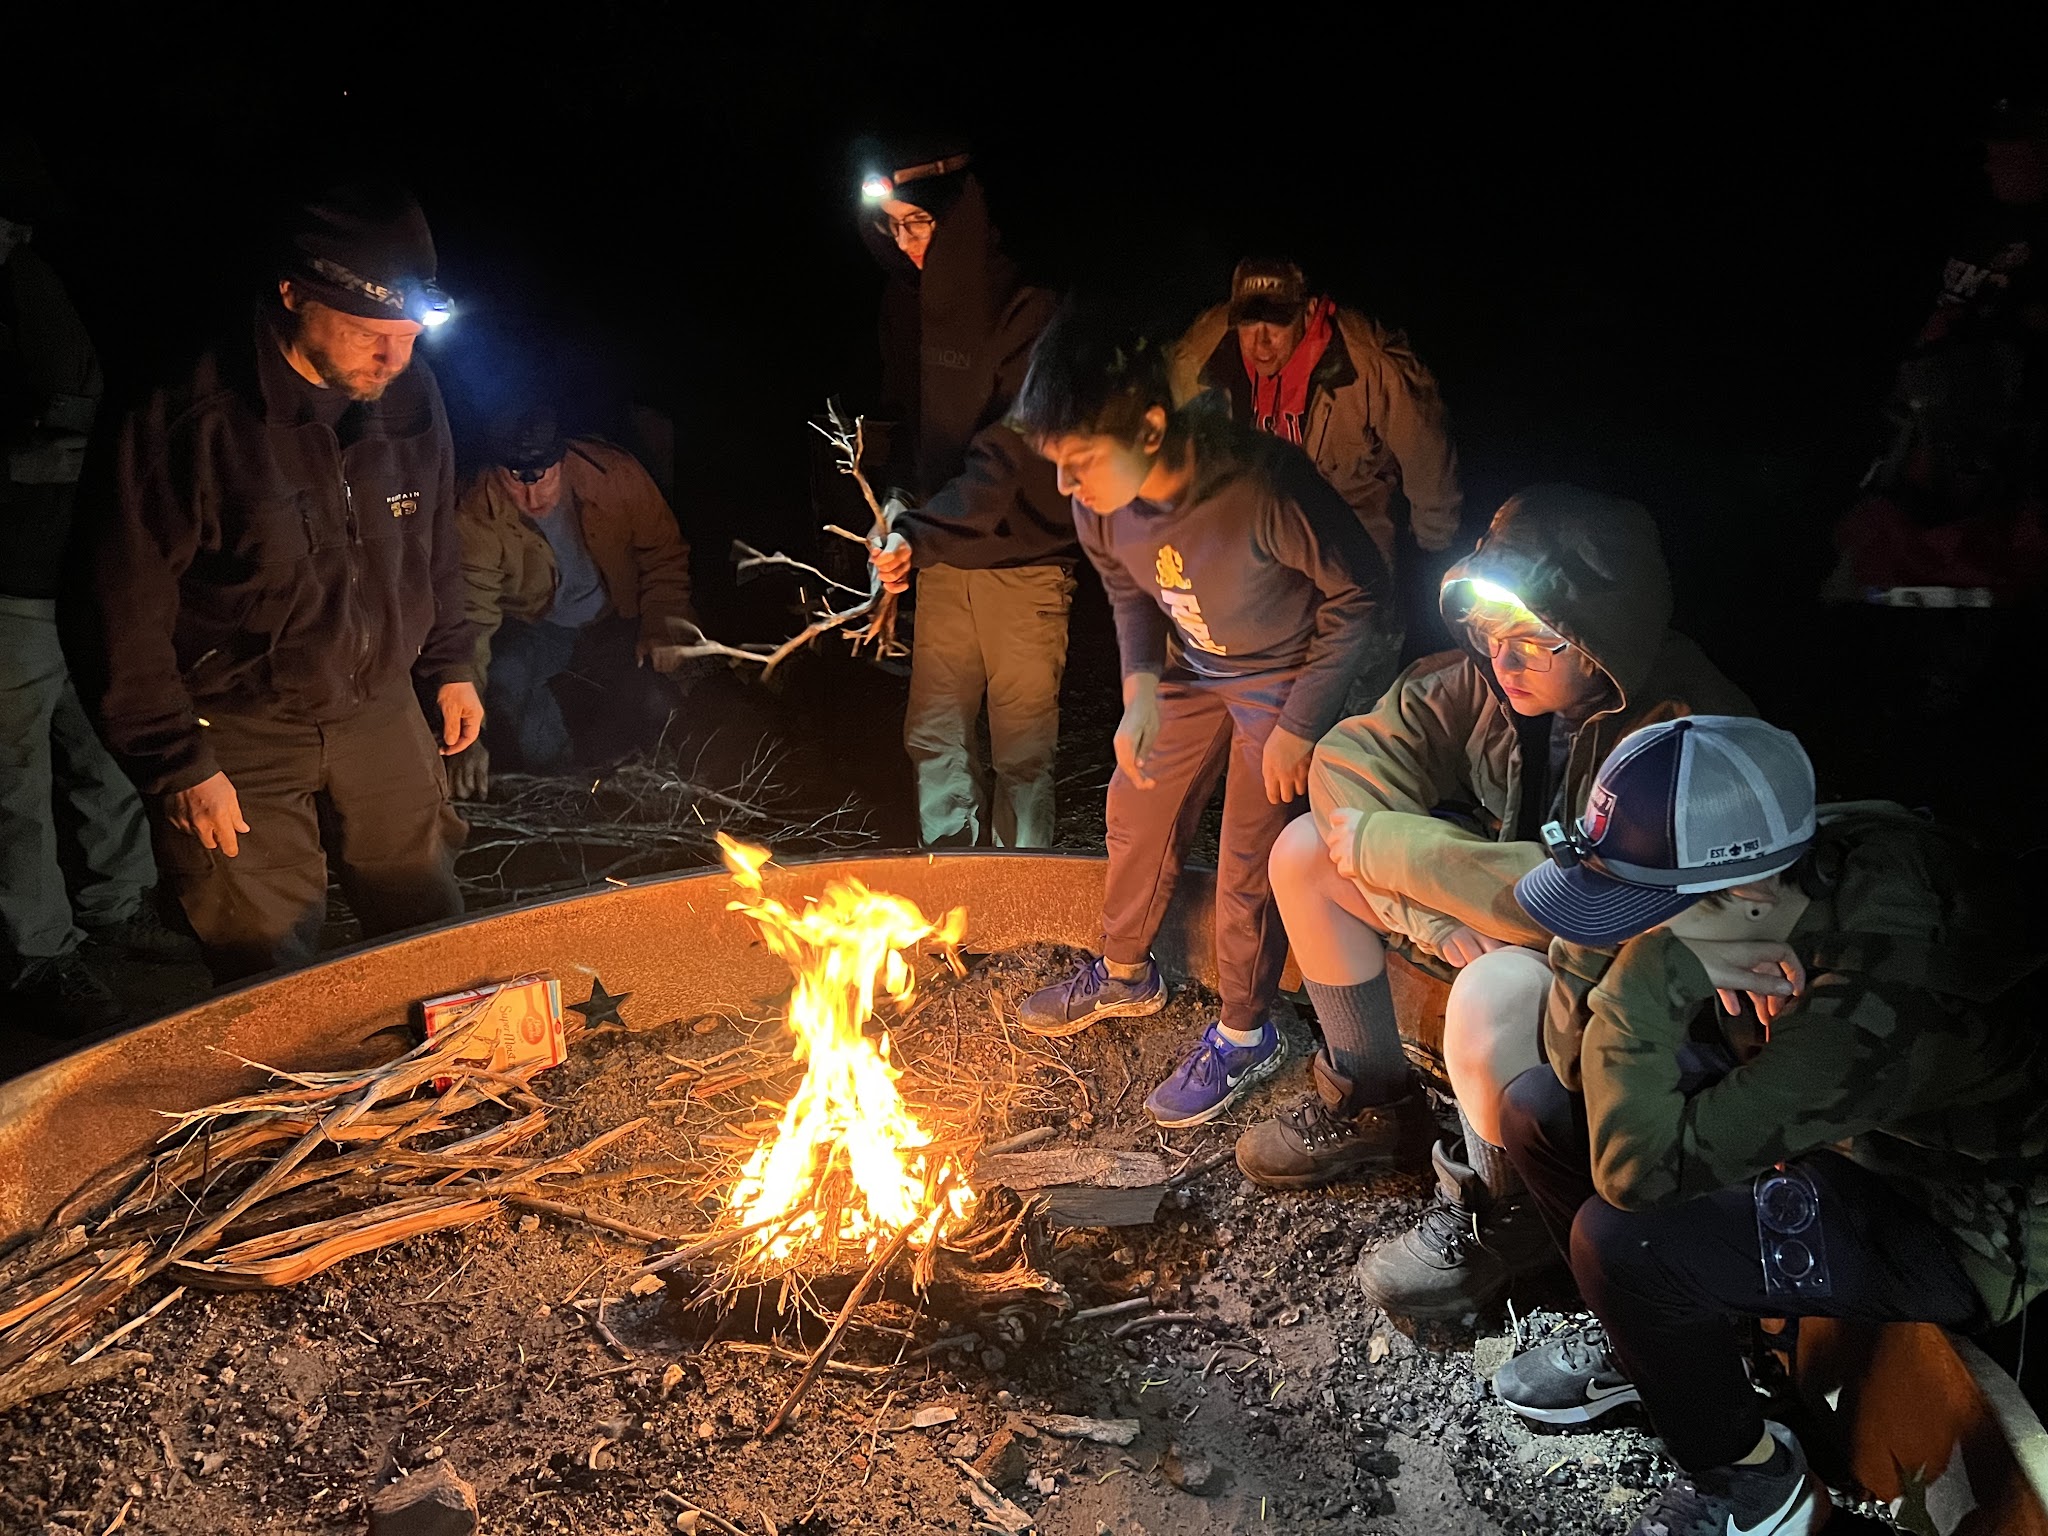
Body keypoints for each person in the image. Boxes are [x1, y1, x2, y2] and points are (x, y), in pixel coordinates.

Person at [1485, 716, 2048, 1536]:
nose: (1636, 930)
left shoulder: (1873, 1007)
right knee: (1539, 1109)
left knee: (1624, 1243)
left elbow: (1635, 1175)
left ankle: (1759, 1488)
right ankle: (1658, 1346)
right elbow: (1572, 1067)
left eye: (1648, 909)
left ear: (1746, 894)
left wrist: (1656, 973)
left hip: (1953, 1221)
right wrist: (1615, 941)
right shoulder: (1787, 871)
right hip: (1846, 1134)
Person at [1243, 487, 1751, 1324]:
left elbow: (1588, 900)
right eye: (1488, 634)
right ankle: (1376, 1095)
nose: (1503, 662)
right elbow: (1346, 768)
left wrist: (1400, 853)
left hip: (1647, 993)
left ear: (1604, 639)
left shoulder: (1688, 731)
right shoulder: (1478, 685)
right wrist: (1440, 921)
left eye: (1534, 642)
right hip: (1517, 929)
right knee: (1302, 851)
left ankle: (1503, 1210)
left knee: (1493, 990)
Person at [75, 184, 480, 983]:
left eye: (407, 338)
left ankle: (454, 1088)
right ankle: (295, 1104)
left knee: (429, 928)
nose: (393, 361)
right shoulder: (193, 414)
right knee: (267, 963)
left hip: (380, 708)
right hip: (237, 724)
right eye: (369, 334)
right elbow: (117, 603)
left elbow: (432, 540)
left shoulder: (408, 397)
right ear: (294, 294)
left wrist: (451, 661)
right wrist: (177, 761)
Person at [1006, 307, 1396, 1128]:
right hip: (1192, 665)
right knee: (1137, 804)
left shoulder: (1264, 486)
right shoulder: (1098, 507)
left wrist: (1300, 722)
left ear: (1151, 428)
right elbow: (1127, 589)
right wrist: (1142, 685)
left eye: (1079, 463)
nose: (1064, 489)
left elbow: (1360, 597)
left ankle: (1245, 1031)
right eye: (1057, 466)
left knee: (1250, 858)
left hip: (1282, 680)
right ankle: (1123, 973)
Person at [2, 147, 189, 1035]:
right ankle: (39, 949)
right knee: (17, 778)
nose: (16, 230)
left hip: (75, 578)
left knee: (100, 750)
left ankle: (120, 905)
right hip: (7, 585)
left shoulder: (47, 282)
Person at [860, 142, 1079, 848]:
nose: (905, 243)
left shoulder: (1029, 307)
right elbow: (900, 421)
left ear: (955, 220)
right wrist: (893, 512)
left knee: (1022, 754)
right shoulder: (907, 303)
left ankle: (1024, 922)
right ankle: (954, 918)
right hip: (945, 559)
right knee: (936, 737)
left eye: (917, 224)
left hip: (1025, 563)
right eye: (892, 227)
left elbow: (1003, 461)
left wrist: (919, 535)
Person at [1171, 256, 1461, 709]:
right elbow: (1161, 430)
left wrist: (1434, 543)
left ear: (1307, 313)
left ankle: (1358, 745)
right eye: (1248, 325)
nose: (1260, 342)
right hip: (1265, 525)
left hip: (1354, 516)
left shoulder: (1369, 360)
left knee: (1363, 658)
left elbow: (1426, 448)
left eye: (1276, 325)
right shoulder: (1203, 351)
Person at [451, 406, 694, 796]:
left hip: (615, 617)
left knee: (655, 701)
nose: (531, 496)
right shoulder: (477, 510)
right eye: (515, 479)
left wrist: (663, 622)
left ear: (562, 460)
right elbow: (472, 619)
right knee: (505, 680)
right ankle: (562, 789)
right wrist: (467, 733)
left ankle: (636, 780)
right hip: (536, 624)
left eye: (542, 477)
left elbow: (662, 554)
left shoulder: (613, 475)